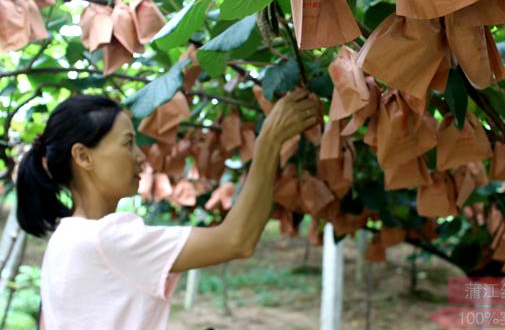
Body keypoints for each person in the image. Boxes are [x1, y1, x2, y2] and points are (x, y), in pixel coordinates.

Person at [15, 88, 318, 330]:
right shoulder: (106, 238)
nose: (140, 157)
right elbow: (236, 240)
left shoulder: (64, 238)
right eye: (128, 143)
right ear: (83, 156)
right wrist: (269, 140)